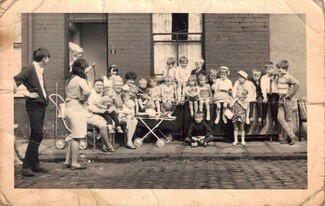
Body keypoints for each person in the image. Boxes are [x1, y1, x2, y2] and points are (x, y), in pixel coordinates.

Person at [14, 48, 51, 177]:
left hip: (40, 105)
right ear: (44, 58)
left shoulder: (39, 69)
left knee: (38, 134)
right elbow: (14, 81)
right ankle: (26, 167)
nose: (48, 60)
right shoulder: (30, 68)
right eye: (48, 57)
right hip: (34, 106)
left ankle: (34, 165)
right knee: (37, 134)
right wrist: (27, 93)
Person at [63, 58, 91, 170]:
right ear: (81, 69)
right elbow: (88, 91)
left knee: (73, 135)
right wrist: (84, 99)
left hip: (68, 107)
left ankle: (67, 161)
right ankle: (74, 163)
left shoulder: (69, 79)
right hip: (77, 108)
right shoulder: (80, 80)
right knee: (77, 138)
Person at [86, 78, 118, 153]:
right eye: (97, 85)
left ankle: (105, 144)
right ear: (94, 85)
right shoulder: (91, 94)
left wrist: (111, 108)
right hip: (90, 114)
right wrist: (102, 110)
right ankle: (108, 145)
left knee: (111, 121)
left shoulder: (104, 94)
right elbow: (90, 107)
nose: (99, 86)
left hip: (102, 113)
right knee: (103, 123)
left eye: (101, 85)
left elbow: (110, 104)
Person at [275, 60, 300, 145]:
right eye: (278, 68)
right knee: (280, 118)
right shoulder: (279, 76)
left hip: (287, 100)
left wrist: (290, 95)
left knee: (288, 119)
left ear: (285, 69)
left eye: (280, 68)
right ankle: (291, 135)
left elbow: (297, 84)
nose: (278, 70)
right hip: (280, 100)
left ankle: (291, 138)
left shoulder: (288, 76)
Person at [112, 77, 138, 149]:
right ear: (113, 86)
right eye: (117, 85)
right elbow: (112, 108)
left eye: (120, 85)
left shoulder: (123, 93)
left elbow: (130, 103)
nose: (119, 87)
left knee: (135, 120)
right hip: (115, 115)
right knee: (128, 120)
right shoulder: (111, 94)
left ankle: (129, 141)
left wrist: (131, 112)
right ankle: (128, 140)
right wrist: (124, 112)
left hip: (124, 114)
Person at [261, 62, 279, 127]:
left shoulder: (276, 77)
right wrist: (265, 97)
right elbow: (263, 88)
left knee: (273, 103)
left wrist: (275, 78)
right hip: (267, 93)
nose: (269, 71)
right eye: (267, 69)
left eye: (270, 69)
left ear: (273, 69)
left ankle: (275, 120)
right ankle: (263, 119)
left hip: (275, 93)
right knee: (264, 103)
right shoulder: (263, 78)